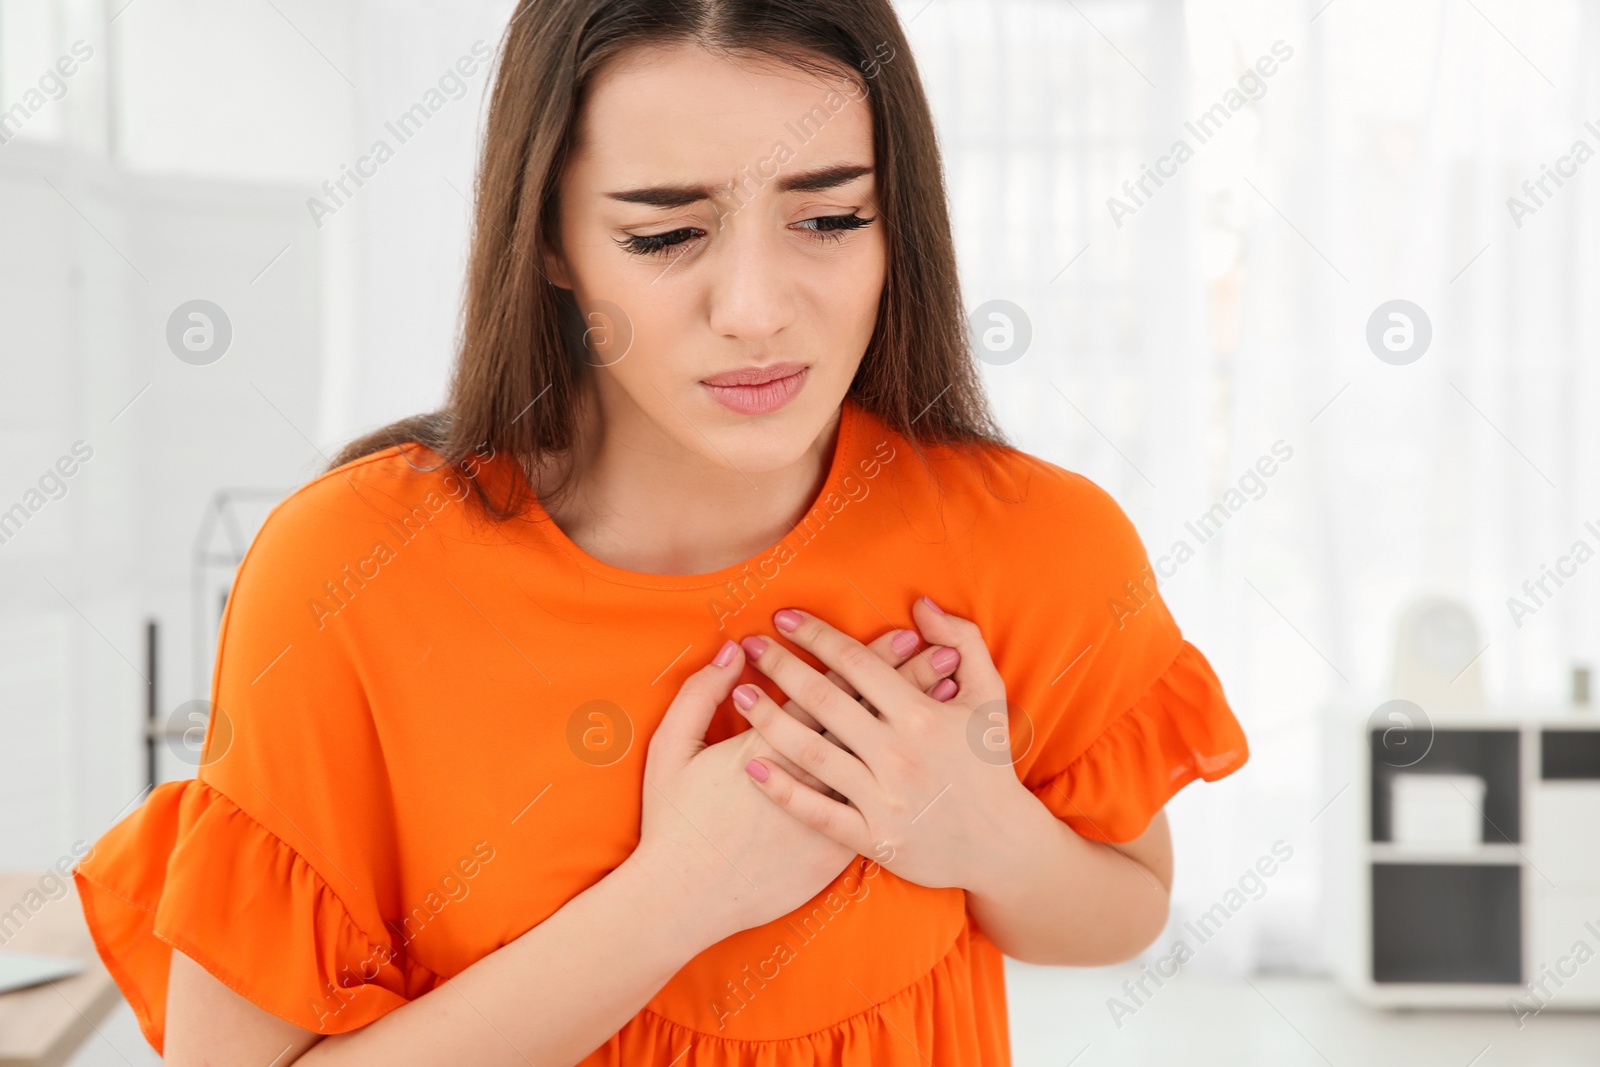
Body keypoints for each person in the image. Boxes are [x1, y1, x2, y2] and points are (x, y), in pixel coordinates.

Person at [72, 0, 1249, 1063]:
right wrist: (670, 900)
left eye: (830, 217)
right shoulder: (346, 573)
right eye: (664, 234)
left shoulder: (1035, 541)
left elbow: (1128, 905)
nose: (754, 308)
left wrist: (982, 832)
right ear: (546, 241)